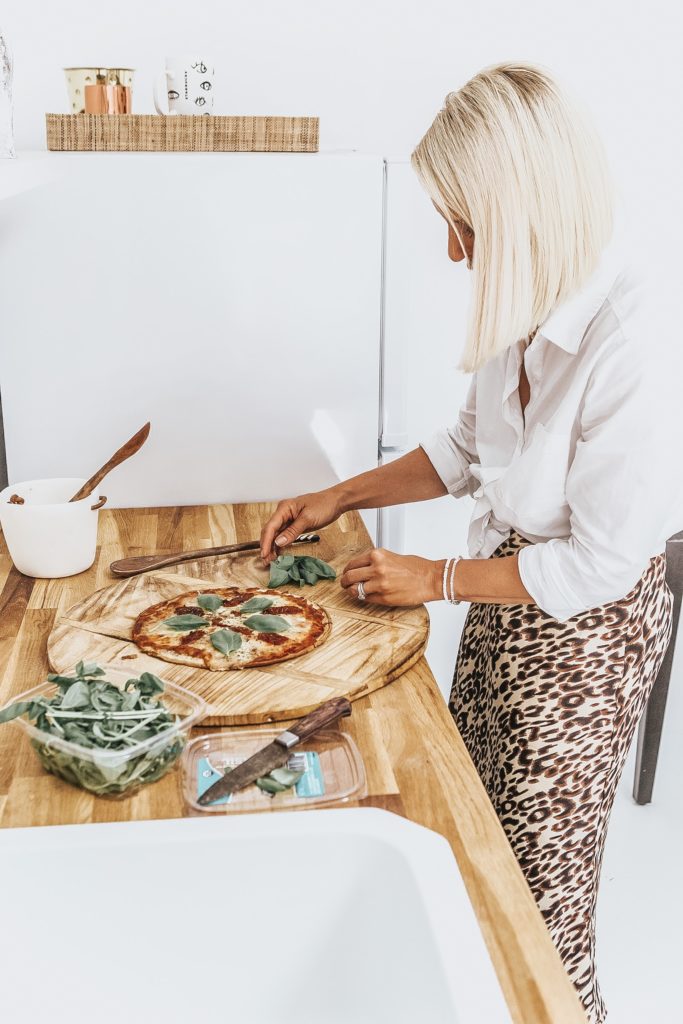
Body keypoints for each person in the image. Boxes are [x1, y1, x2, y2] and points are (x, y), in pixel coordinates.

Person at [259, 62, 679, 1023]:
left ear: (522, 209)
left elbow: (602, 565)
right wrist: (339, 494)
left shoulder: (637, 340)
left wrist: (435, 576)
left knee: (539, 909)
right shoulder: (523, 297)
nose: (453, 251)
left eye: (466, 223)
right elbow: (463, 448)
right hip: (506, 599)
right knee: (469, 846)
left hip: (588, 637)